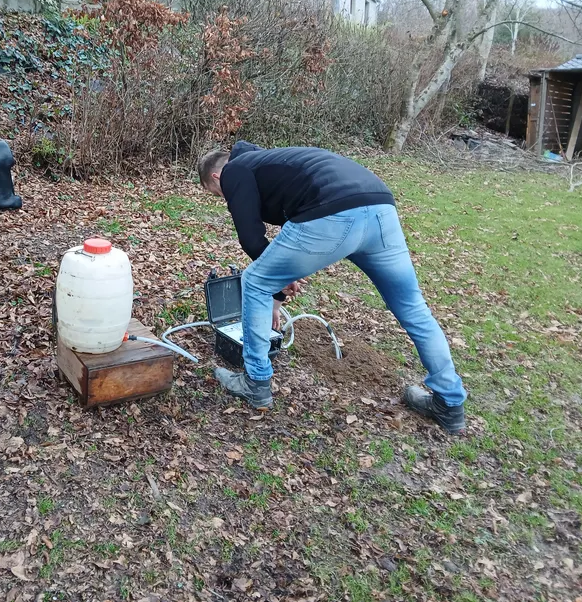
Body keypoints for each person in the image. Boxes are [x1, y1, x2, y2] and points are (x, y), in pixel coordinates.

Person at [197, 141, 467, 434]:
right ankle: (449, 403)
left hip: (334, 214)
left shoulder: (234, 170)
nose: (226, 198)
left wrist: (273, 286)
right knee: (413, 307)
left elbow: (251, 240)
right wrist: (276, 291)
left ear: (215, 178)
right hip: (380, 208)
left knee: (253, 281)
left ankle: (255, 383)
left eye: (218, 195)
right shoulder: (275, 161)